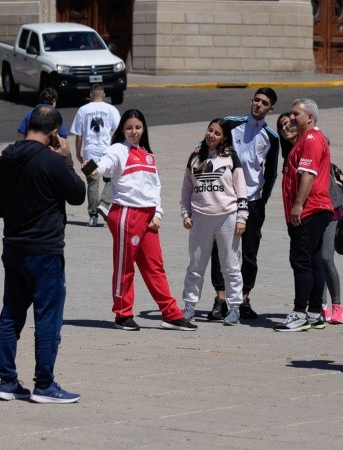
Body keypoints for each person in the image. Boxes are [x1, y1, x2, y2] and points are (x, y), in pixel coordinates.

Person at [0, 106, 86, 403]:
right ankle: (44, 384)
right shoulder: (52, 161)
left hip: (14, 247)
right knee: (47, 318)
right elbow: (78, 194)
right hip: (45, 250)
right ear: (55, 133)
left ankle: (7, 381)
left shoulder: (4, 158)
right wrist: (68, 158)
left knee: (11, 314)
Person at [90, 109, 197, 331]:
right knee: (125, 267)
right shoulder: (118, 149)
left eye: (138, 127)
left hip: (148, 216)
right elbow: (104, 166)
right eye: (129, 128)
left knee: (155, 267)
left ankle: (170, 314)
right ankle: (122, 313)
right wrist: (93, 169)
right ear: (122, 130)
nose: (134, 132)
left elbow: (155, 187)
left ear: (144, 128)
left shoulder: (148, 154)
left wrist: (158, 213)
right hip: (127, 213)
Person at [207, 87, 280, 321]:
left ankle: (244, 298)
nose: (258, 104)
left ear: (271, 108)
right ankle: (220, 299)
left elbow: (271, 172)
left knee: (249, 252)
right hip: (226, 198)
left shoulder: (271, 136)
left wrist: (263, 198)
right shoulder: (231, 123)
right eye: (256, 100)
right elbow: (210, 140)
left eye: (264, 102)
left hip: (253, 200)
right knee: (222, 249)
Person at [180, 119, 248, 326]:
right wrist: (186, 214)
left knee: (230, 265)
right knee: (196, 265)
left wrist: (241, 217)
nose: (211, 135)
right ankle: (189, 306)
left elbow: (241, 189)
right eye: (210, 130)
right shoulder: (194, 158)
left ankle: (235, 307)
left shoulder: (231, 158)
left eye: (217, 133)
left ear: (224, 137)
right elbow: (186, 191)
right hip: (200, 218)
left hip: (227, 216)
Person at [275, 98, 334, 332]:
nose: (291, 118)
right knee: (313, 260)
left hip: (309, 209)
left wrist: (298, 205)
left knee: (301, 260)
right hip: (316, 209)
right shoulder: (308, 139)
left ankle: (300, 313)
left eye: (295, 114)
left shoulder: (310, 139)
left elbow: (307, 175)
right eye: (290, 114)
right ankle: (314, 312)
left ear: (310, 117)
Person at [69, 84, 120, 227]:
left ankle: (93, 217)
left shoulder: (83, 110)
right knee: (112, 179)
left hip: (89, 152)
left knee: (92, 183)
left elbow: (79, 136)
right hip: (107, 152)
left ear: (90, 95)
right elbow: (118, 131)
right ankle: (104, 203)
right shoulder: (111, 109)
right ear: (103, 95)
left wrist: (78, 153)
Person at [320, 160, 343, 324]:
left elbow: (342, 193)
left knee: (326, 257)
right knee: (316, 259)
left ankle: (337, 305)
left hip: (331, 214)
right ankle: (322, 305)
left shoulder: (329, 167)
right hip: (310, 215)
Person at [17, 87, 71, 155]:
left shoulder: (29, 114)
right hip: (50, 154)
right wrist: (69, 158)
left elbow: (21, 136)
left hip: (30, 151)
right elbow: (64, 138)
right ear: (54, 100)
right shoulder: (57, 115)